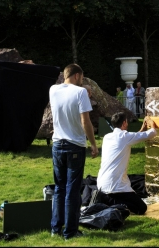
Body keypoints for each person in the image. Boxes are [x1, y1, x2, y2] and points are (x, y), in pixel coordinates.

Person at [50, 64, 98, 240]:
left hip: (57, 145)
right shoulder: (81, 93)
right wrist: (93, 143)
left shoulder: (53, 90)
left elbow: (67, 89)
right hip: (75, 145)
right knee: (72, 189)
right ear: (77, 76)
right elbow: (85, 121)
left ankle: (56, 228)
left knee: (59, 188)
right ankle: (70, 231)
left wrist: (83, 88)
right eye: (83, 78)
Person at [90, 112, 157, 215]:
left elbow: (133, 137)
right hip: (115, 185)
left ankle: (104, 197)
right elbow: (152, 133)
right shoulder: (124, 137)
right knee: (141, 208)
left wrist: (142, 129)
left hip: (103, 182)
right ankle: (105, 200)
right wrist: (151, 123)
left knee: (133, 201)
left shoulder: (107, 137)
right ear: (124, 122)